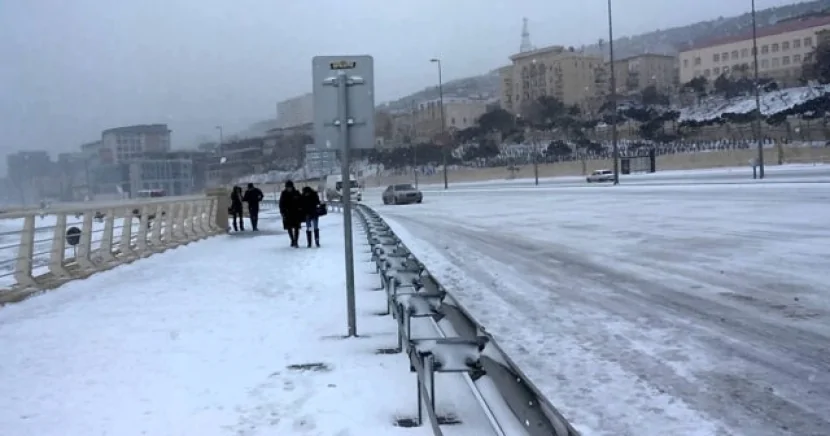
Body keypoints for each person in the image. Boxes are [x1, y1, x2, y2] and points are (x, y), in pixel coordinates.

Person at [278, 180, 303, 247]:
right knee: (289, 228)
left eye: (290, 187)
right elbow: (281, 204)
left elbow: (301, 201)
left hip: (296, 213)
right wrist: (282, 212)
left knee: (296, 228)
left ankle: (296, 241)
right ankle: (292, 239)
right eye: (287, 187)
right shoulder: (283, 194)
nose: (289, 188)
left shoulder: (296, 193)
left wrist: (300, 209)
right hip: (287, 213)